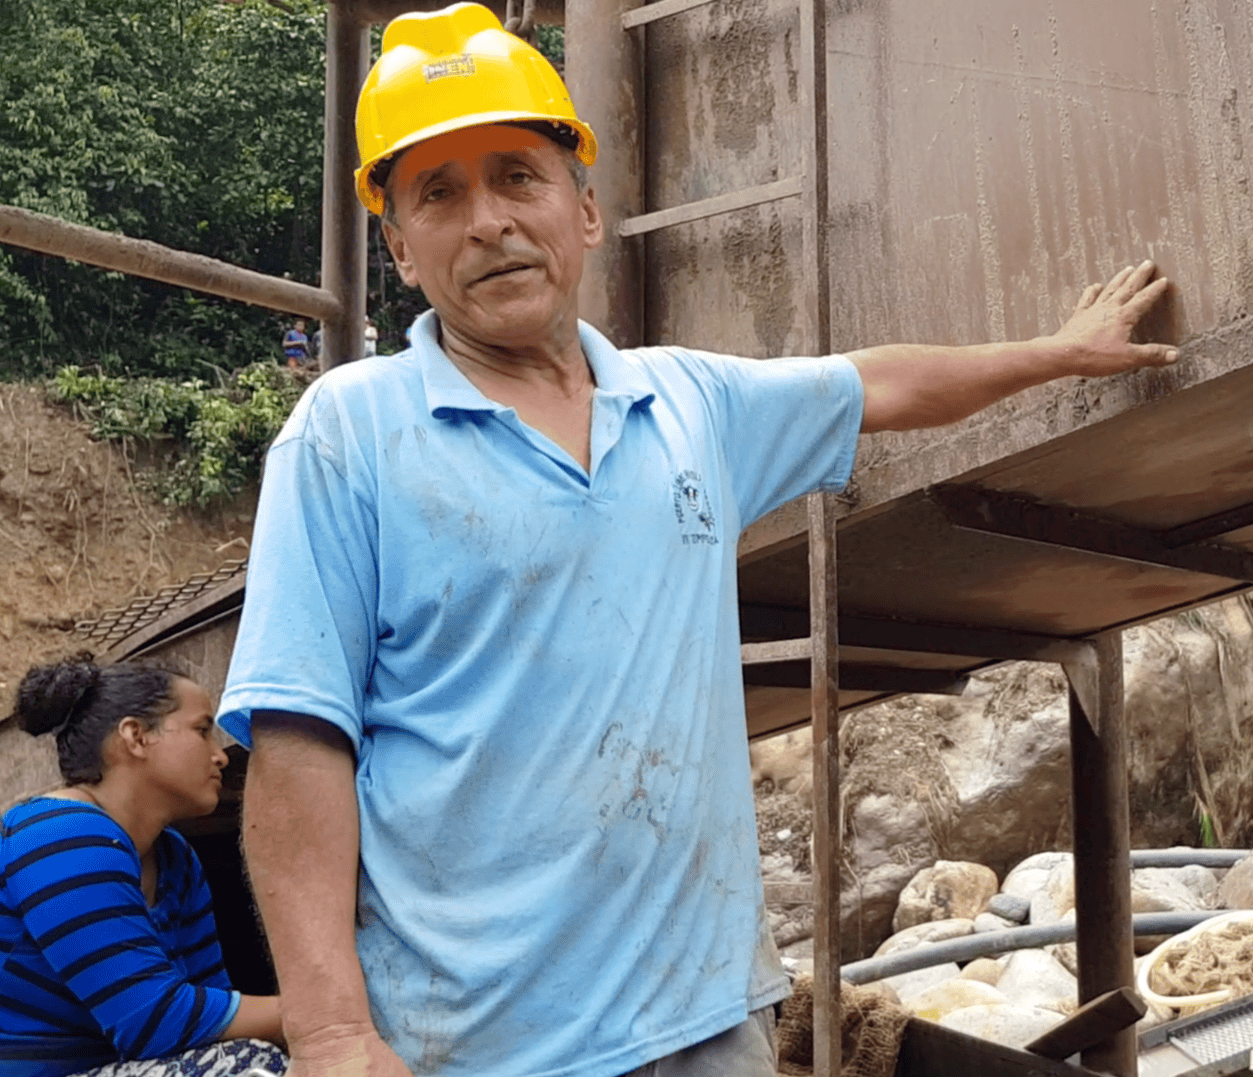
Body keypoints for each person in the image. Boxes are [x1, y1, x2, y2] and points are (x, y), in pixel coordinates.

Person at [215, 6, 1179, 1077]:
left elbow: (885, 381)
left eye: (515, 177)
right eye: (439, 195)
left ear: (583, 212)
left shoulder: (685, 405)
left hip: (711, 1020)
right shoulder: (351, 434)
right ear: (398, 246)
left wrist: (1053, 353)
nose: (486, 220)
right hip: (482, 1046)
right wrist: (336, 1030)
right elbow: (301, 742)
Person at [1, 656, 285, 1077]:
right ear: (135, 736)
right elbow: (154, 1023)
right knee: (252, 1067)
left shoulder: (176, 859)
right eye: (202, 731)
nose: (220, 755)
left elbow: (214, 1011)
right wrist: (326, 1011)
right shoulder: (60, 836)